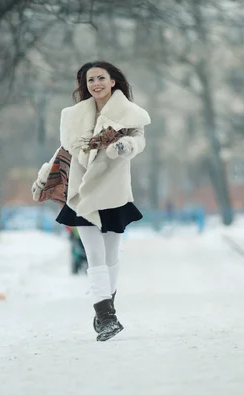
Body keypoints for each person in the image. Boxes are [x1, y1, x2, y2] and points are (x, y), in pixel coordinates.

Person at [31, 61, 151, 341]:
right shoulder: (72, 116)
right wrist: (43, 178)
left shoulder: (130, 114)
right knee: (94, 255)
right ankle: (106, 316)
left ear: (113, 82)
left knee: (111, 257)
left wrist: (124, 146)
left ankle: (106, 308)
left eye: (101, 78)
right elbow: (64, 150)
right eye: (90, 80)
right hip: (81, 191)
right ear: (85, 86)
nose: (95, 84)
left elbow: (139, 140)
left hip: (113, 191)